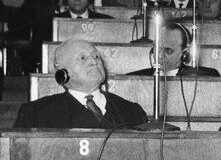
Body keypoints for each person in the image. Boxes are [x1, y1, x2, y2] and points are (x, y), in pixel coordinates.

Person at [13, 38, 147, 128]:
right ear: (63, 73)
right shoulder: (35, 115)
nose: (94, 62)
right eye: (83, 58)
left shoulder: (133, 111)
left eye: (96, 56)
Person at [129, 23, 219, 77]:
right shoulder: (134, 79)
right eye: (157, 48)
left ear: (185, 53)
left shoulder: (203, 78)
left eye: (168, 50)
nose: (160, 56)